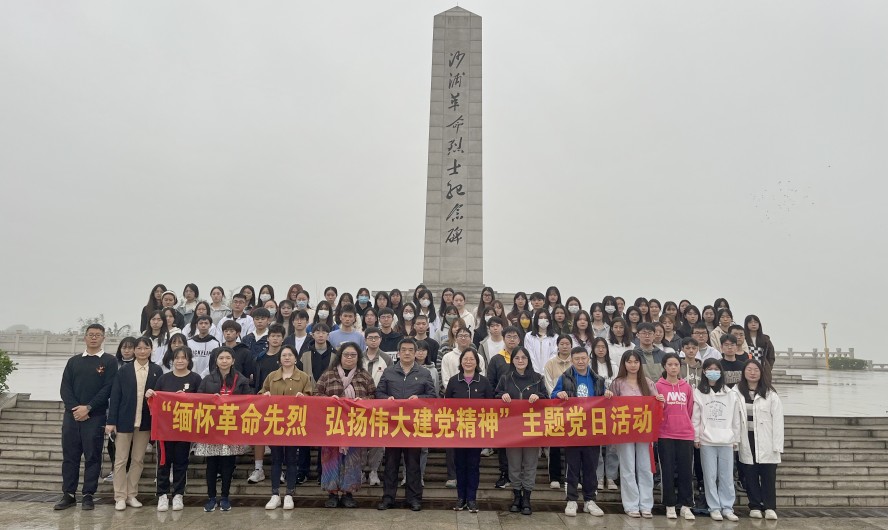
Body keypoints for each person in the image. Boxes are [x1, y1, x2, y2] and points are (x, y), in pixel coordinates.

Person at [56, 324, 118, 511]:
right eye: (91, 334)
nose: (94, 338)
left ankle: (88, 494)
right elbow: (65, 388)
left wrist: (88, 408)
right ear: (85, 337)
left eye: (98, 335)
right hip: (72, 417)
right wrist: (76, 409)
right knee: (70, 456)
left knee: (93, 456)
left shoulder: (109, 361)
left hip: (95, 416)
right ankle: (68, 494)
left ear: (103, 338)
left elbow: (108, 388)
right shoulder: (74, 361)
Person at [376, 338, 436, 512]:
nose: (407, 353)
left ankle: (414, 499)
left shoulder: (424, 373)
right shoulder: (389, 372)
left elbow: (432, 397)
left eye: (411, 350)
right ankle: (388, 498)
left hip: (413, 426)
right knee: (391, 464)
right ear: (398, 353)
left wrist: (419, 399)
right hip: (393, 426)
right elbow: (378, 393)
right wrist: (387, 399)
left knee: (413, 465)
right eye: (404, 350)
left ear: (416, 353)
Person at [316, 342, 376, 508]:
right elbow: (316, 394)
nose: (349, 358)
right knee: (330, 459)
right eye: (346, 354)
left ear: (358, 357)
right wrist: (329, 400)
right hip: (332, 424)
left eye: (353, 355)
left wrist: (362, 401)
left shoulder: (364, 376)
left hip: (355, 425)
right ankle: (332, 493)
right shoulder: (328, 374)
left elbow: (374, 396)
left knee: (353, 459)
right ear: (340, 356)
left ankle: (348, 493)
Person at [551, 346, 609, 517]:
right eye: (577, 359)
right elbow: (553, 396)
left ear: (588, 359)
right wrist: (559, 394)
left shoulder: (598, 379)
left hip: (592, 430)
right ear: (572, 360)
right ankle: (571, 500)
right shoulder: (565, 377)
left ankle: (590, 500)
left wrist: (607, 394)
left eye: (583, 358)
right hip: (573, 429)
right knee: (572, 466)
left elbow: (604, 400)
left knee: (591, 466)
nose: (580, 362)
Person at [106, 336, 162, 511]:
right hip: (124, 421)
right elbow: (115, 396)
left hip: (145, 422)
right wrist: (111, 421)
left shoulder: (156, 370)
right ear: (134, 350)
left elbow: (161, 396)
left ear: (151, 350)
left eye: (146, 348)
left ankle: (131, 494)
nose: (142, 351)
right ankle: (120, 496)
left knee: (138, 460)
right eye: (139, 348)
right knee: (121, 460)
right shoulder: (124, 370)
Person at [194, 347, 252, 512]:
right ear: (216, 361)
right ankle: (211, 498)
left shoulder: (241, 380)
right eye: (221, 358)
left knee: (228, 464)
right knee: (211, 464)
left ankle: (225, 497)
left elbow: (248, 401)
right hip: (212, 427)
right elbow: (198, 399)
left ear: (233, 361)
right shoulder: (207, 379)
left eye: (227, 358)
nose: (224, 361)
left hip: (231, 427)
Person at [610, 350, 664, 518]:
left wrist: (660, 400)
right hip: (624, 431)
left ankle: (646, 505)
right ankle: (631, 504)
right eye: (629, 362)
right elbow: (610, 406)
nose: (633, 365)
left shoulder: (647, 383)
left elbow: (657, 405)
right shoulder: (617, 383)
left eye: (636, 362)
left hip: (644, 431)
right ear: (624, 364)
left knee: (645, 467)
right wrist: (608, 396)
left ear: (640, 364)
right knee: (627, 468)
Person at [147, 346, 202, 512]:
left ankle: (178, 494)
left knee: (181, 462)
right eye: (177, 358)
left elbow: (201, 401)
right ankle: (162, 494)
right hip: (164, 429)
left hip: (184, 428)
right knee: (164, 462)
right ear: (172, 360)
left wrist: (187, 398)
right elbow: (155, 400)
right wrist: (150, 395)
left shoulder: (195, 378)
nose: (180, 361)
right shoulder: (164, 379)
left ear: (189, 360)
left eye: (183, 358)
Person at [496, 346, 547, 516]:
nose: (520, 361)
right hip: (512, 431)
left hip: (532, 430)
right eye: (517, 358)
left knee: (530, 464)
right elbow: (495, 397)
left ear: (528, 360)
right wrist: (502, 396)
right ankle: (517, 495)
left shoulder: (537, 378)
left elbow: (547, 399)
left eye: (523, 358)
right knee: (514, 465)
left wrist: (539, 397)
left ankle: (527, 498)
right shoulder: (506, 378)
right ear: (512, 360)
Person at [260, 345, 313, 510]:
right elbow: (261, 393)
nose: (287, 358)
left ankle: (289, 493)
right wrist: (265, 395)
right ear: (279, 359)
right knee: (276, 459)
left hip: (293, 424)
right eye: (284, 355)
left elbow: (311, 397)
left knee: (291, 459)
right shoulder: (272, 376)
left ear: (296, 358)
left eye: (290, 355)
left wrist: (304, 397)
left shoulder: (303, 377)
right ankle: (275, 494)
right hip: (275, 424)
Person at [693, 358, 743, 521]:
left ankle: (727, 507)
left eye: (716, 369)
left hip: (726, 440)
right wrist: (696, 437)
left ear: (721, 372)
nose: (713, 372)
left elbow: (735, 419)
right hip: (707, 440)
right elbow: (696, 417)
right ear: (704, 372)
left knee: (727, 476)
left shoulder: (731, 394)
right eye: (709, 369)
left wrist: (735, 439)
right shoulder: (699, 392)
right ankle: (714, 507)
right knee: (709, 475)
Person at [445, 347, 495, 513]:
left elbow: (490, 406)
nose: (468, 362)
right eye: (465, 359)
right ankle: (461, 498)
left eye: (472, 359)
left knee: (473, 465)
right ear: (460, 362)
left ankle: (472, 499)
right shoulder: (454, 381)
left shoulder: (484, 382)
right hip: (458, 432)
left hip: (476, 432)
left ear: (477, 362)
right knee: (459, 465)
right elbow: (446, 405)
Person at [736, 359, 784, 521]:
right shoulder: (736, 392)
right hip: (746, 438)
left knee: (768, 475)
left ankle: (769, 507)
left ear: (761, 373)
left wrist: (777, 445)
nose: (752, 373)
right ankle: (755, 505)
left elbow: (778, 421)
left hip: (766, 439)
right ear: (744, 372)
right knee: (750, 474)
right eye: (749, 369)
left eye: (756, 370)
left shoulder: (770, 394)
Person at [656, 352, 696, 520]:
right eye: (670, 365)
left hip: (685, 434)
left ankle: (686, 505)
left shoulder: (686, 387)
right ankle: (670, 505)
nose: (673, 368)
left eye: (676, 365)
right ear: (664, 366)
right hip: (665, 434)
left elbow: (690, 409)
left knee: (686, 471)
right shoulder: (658, 386)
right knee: (667, 471)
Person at [486, 326, 522, 489]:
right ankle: (504, 473)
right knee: (503, 442)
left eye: (515, 336)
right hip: (502, 408)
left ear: (519, 339)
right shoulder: (496, 359)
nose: (512, 339)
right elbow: (491, 384)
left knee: (520, 442)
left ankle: (519, 474)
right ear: (504, 338)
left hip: (521, 409)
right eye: (509, 336)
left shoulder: (523, 357)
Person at [103, 337, 137, 483]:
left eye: (130, 347)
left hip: (131, 409)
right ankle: (114, 470)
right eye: (124, 347)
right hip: (112, 406)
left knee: (129, 444)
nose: (127, 350)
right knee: (112, 442)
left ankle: (127, 471)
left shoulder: (138, 365)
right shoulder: (114, 364)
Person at [542, 335, 573, 490]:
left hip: (573, 410)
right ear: (557, 345)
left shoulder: (576, 363)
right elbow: (548, 384)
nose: (565, 346)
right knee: (554, 444)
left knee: (571, 445)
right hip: (555, 408)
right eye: (562, 343)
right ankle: (554, 477)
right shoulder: (550, 363)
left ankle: (571, 476)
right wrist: (556, 398)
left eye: (567, 344)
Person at [360, 327, 390, 487]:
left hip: (380, 406)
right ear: (365, 340)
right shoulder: (358, 357)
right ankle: (360, 471)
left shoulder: (386, 358)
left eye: (376, 338)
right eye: (370, 337)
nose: (373, 340)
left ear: (380, 339)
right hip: (359, 405)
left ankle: (373, 470)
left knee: (378, 440)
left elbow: (390, 379)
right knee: (360, 439)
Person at [590, 337, 619, 491]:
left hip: (612, 409)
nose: (600, 350)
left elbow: (617, 385)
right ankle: (598, 476)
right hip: (595, 410)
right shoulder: (589, 365)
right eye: (598, 347)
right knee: (597, 446)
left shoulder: (614, 366)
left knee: (612, 446)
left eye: (603, 347)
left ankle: (611, 477)